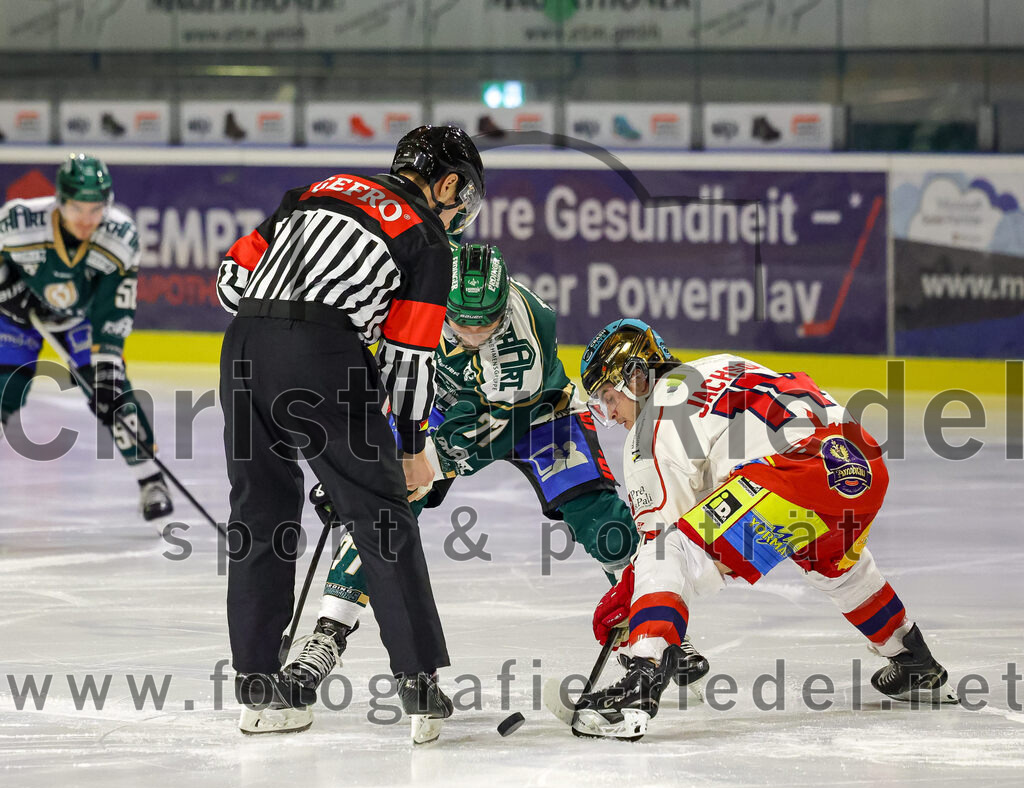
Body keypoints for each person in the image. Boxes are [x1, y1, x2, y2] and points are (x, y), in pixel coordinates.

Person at [215, 125, 485, 739]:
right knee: (382, 515)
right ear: (446, 183)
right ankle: (419, 688)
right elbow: (408, 357)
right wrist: (412, 448)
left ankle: (259, 689)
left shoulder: (314, 190)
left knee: (259, 512)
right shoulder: (426, 240)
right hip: (322, 357)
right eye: (462, 195)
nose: (460, 209)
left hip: (244, 347)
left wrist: (282, 318)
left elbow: (230, 279)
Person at [283, 243, 644, 699]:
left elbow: (482, 441)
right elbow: (374, 372)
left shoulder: (526, 339)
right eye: (462, 320)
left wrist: (407, 471)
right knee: (380, 510)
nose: (473, 331)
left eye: (486, 321)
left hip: (534, 415)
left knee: (600, 517)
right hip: (437, 407)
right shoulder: (416, 287)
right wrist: (354, 467)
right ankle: (326, 636)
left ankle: (654, 622)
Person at [572, 318, 959, 741]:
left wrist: (630, 600)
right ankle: (913, 659)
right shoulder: (721, 363)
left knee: (666, 552)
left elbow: (667, 548)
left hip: (794, 477)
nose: (610, 413)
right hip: (860, 464)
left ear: (637, 377)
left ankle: (638, 689)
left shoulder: (650, 429)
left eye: (609, 397)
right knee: (832, 564)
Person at [0, 153, 173, 523]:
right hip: (16, 315)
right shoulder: (17, 221)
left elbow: (113, 313)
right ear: (60, 200)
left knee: (115, 394)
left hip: (77, 317)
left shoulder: (120, 237)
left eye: (97, 209)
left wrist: (107, 373)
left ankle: (151, 479)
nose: (87, 220)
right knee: (3, 391)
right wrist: (4, 291)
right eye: (79, 208)